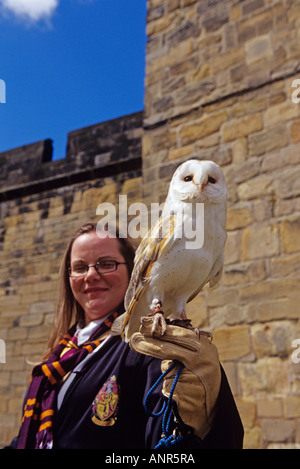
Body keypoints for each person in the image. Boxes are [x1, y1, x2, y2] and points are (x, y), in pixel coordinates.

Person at [7, 222, 243, 449]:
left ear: (133, 269)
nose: (91, 275)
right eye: (80, 267)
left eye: (106, 263)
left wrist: (205, 417)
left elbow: (168, 441)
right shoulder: (58, 358)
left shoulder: (151, 345)